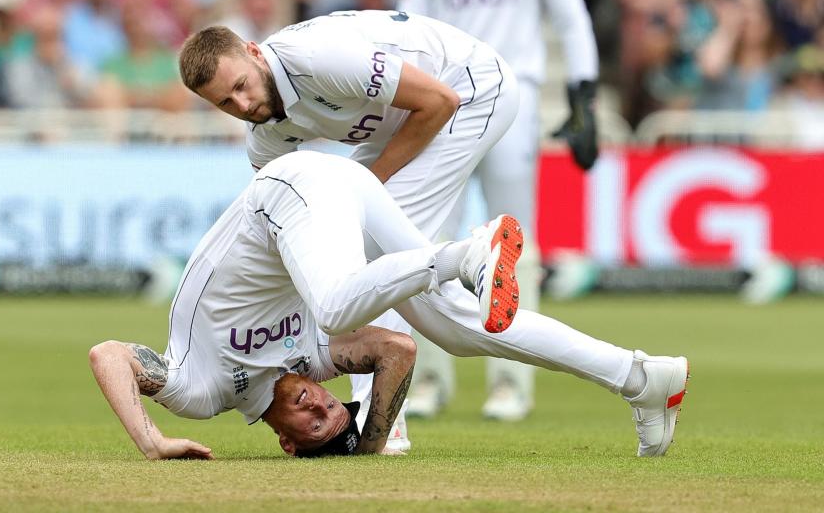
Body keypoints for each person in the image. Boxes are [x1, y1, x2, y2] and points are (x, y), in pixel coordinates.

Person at [89, 150, 689, 459]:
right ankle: (640, 377)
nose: (319, 402)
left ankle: (467, 254)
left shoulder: (203, 392)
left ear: (286, 443)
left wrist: (153, 440)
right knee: (456, 329)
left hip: (285, 190)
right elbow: (399, 350)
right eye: (330, 411)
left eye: (314, 420)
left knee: (333, 304)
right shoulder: (309, 363)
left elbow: (109, 354)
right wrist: (367, 439)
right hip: (343, 188)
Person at [177, 8, 523, 450]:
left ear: (253, 52)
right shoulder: (265, 138)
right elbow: (285, 236)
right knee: (365, 263)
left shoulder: (317, 58)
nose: (242, 107)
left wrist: (366, 186)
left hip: (472, 87)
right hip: (401, 119)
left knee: (378, 255)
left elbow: (439, 101)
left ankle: (388, 424)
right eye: (225, 103)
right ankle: (631, 375)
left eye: (241, 86)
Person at [398, 0, 600, 421]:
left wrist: (584, 93)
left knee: (514, 240)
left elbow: (570, 15)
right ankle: (424, 380)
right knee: (428, 245)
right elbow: (410, 34)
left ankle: (512, 381)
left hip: (517, 92)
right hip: (445, 101)